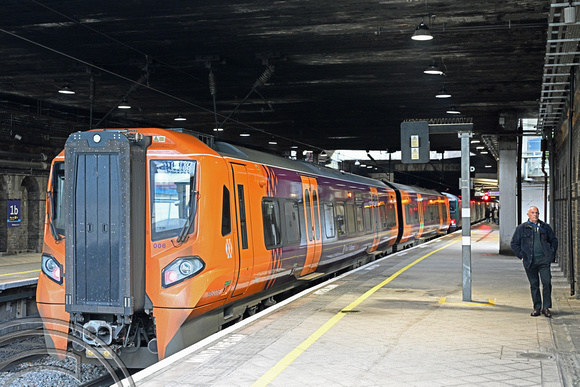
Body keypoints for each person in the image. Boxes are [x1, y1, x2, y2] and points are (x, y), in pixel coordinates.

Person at [510, 206, 558, 318]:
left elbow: (554, 241)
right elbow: (514, 244)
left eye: (536, 213)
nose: (535, 215)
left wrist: (550, 254)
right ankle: (537, 308)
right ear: (528, 214)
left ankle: (546, 307)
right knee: (534, 285)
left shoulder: (545, 227)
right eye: (532, 213)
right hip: (530, 261)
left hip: (543, 261)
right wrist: (521, 256)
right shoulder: (522, 228)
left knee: (546, 283)